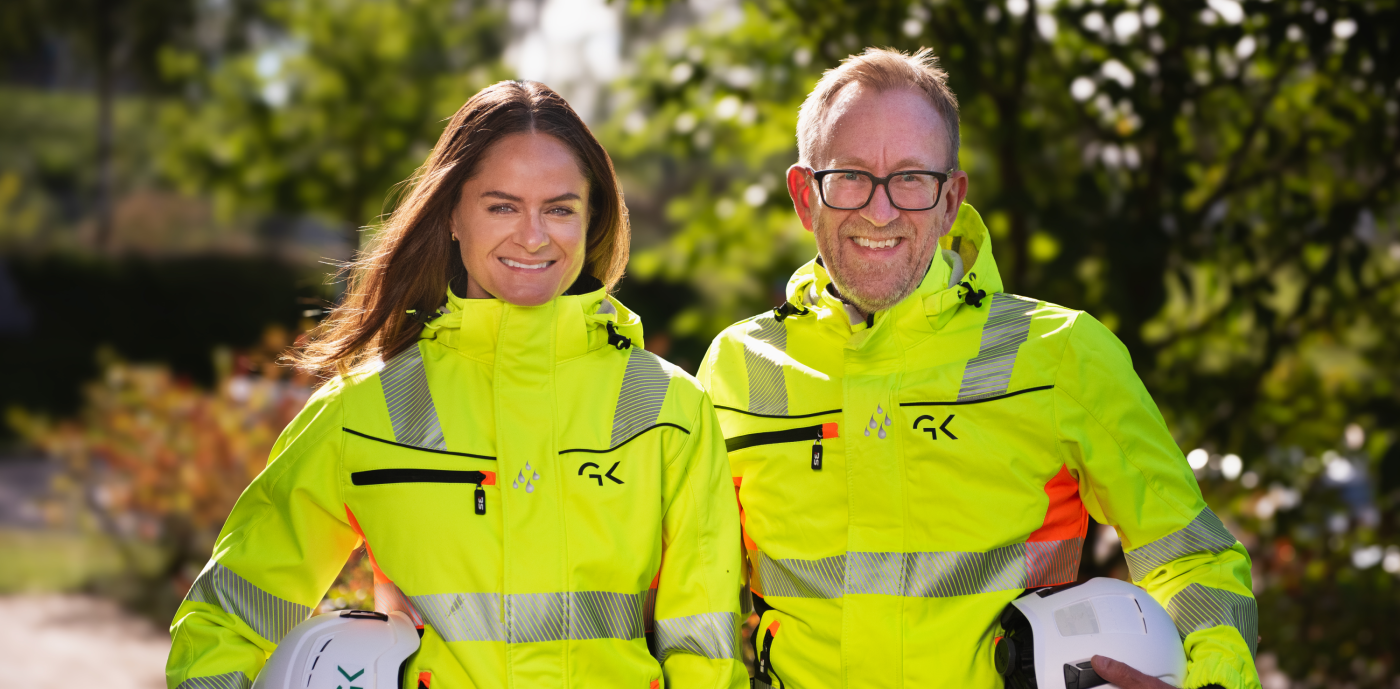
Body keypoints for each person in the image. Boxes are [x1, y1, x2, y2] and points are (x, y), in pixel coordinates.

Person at [697, 48, 1260, 689]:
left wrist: (1215, 681)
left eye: (911, 178)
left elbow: (1193, 558)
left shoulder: (1063, 352)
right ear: (805, 196)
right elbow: (699, 596)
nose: (880, 212)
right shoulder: (736, 367)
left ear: (950, 198)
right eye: (851, 175)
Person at [166, 81, 747, 689]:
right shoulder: (360, 411)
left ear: (592, 218)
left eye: (560, 208)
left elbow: (704, 651)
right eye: (501, 206)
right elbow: (226, 620)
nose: (533, 235)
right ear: (451, 214)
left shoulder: (670, 408)